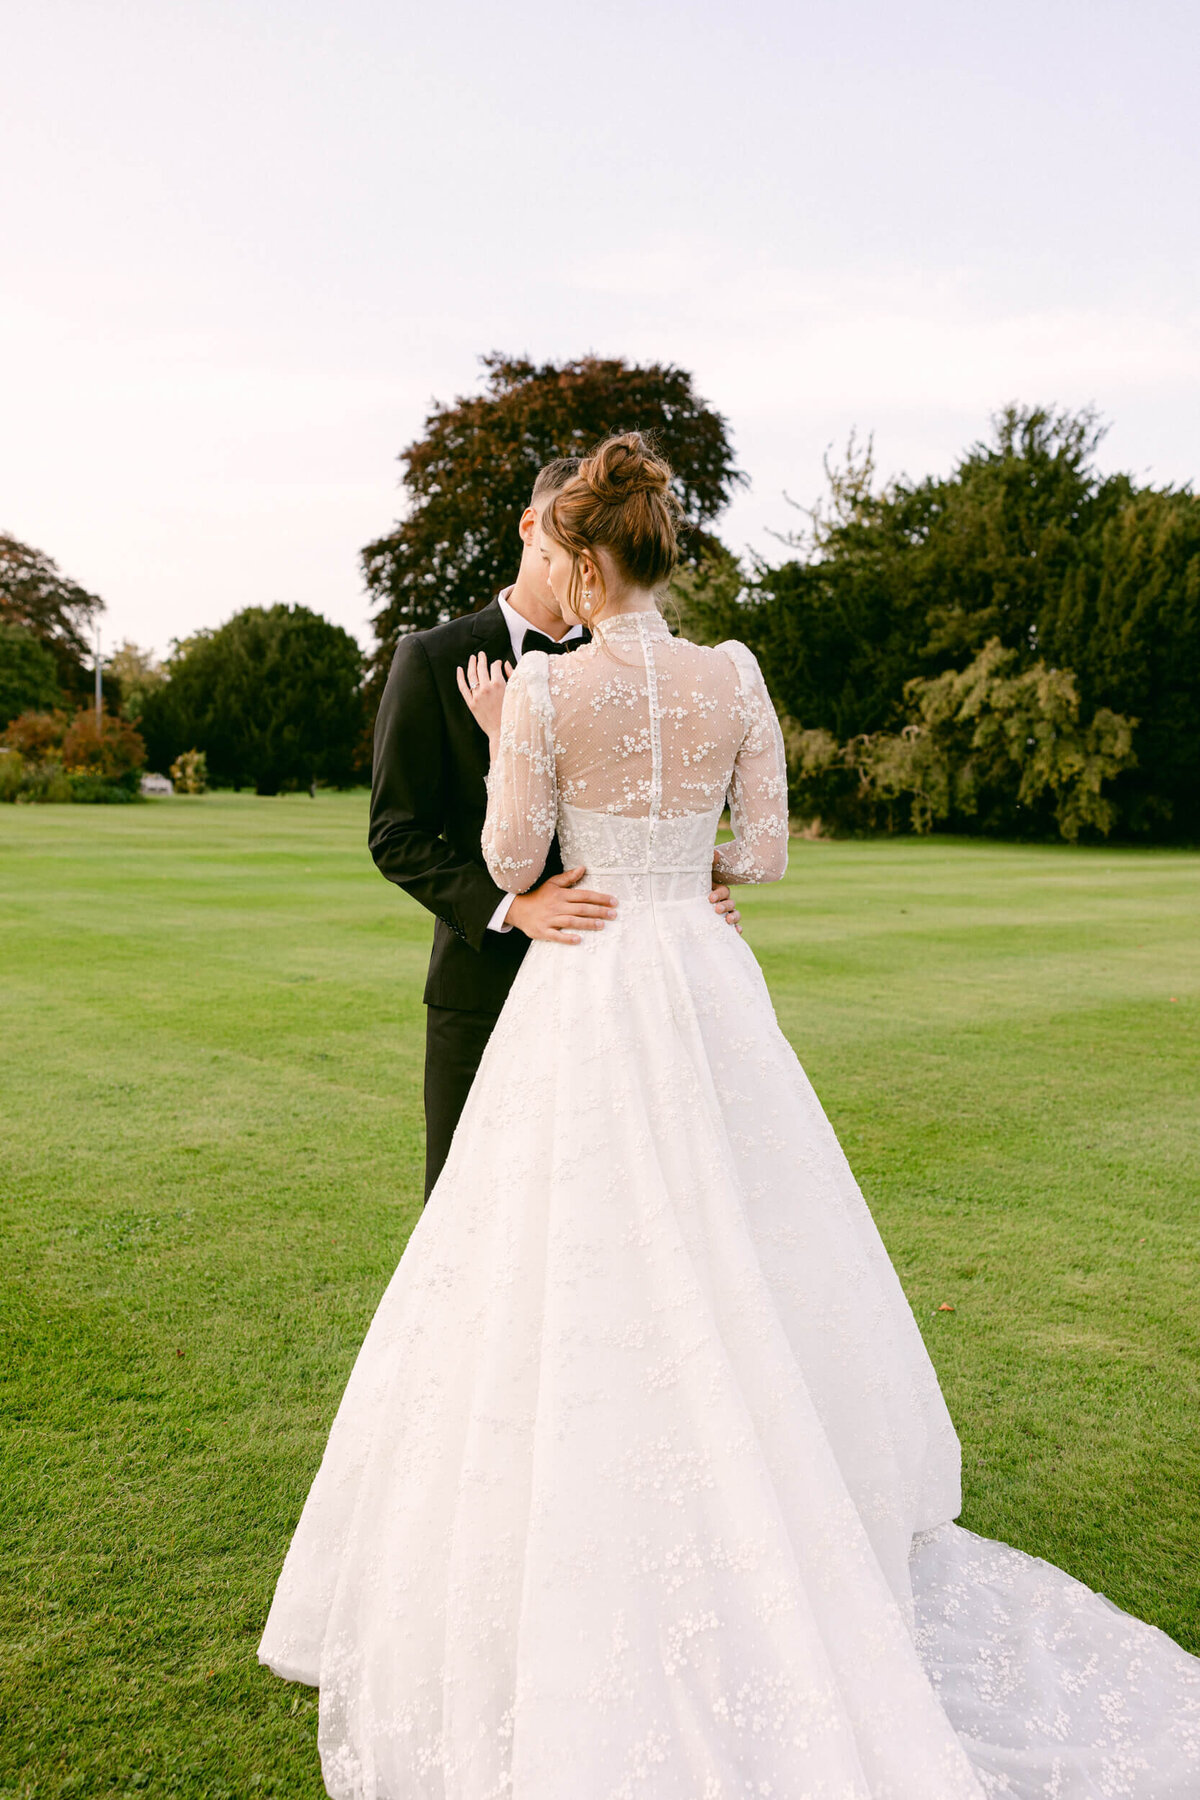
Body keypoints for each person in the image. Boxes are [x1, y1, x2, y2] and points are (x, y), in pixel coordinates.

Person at [262, 435, 1200, 1798]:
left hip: (585, 990)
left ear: (583, 556)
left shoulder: (547, 685)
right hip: (695, 976)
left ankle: (581, 1541)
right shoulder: (739, 673)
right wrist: (672, 860)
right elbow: (757, 853)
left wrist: (516, 742)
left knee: (566, 1257)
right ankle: (763, 1501)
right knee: (728, 1236)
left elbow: (514, 857)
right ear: (666, 549)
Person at [367, 456, 742, 1200]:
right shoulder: (431, 657)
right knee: (468, 1206)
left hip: (611, 988)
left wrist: (692, 884)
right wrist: (514, 908)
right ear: (533, 528)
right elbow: (397, 833)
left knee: (605, 1201)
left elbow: (655, 802)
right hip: (483, 988)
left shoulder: (640, 662)